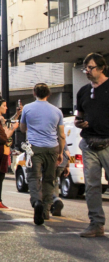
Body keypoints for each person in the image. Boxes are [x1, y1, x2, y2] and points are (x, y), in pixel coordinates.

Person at [20, 83, 65, 226]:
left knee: (33, 177)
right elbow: (62, 135)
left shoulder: (27, 108)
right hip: (52, 148)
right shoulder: (57, 111)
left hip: (34, 148)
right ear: (49, 94)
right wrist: (61, 152)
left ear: (34, 93)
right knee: (49, 179)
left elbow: (22, 129)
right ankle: (45, 211)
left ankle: (36, 202)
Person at [75, 53, 109, 237]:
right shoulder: (83, 91)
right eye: (85, 68)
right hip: (89, 143)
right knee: (92, 186)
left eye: (91, 68)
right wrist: (79, 123)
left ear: (102, 68)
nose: (87, 71)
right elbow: (79, 115)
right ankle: (96, 223)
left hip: (108, 141)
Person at [0, 97, 17, 211]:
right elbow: (4, 136)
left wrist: (17, 114)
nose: (6, 107)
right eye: (4, 105)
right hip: (2, 149)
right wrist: (13, 128)